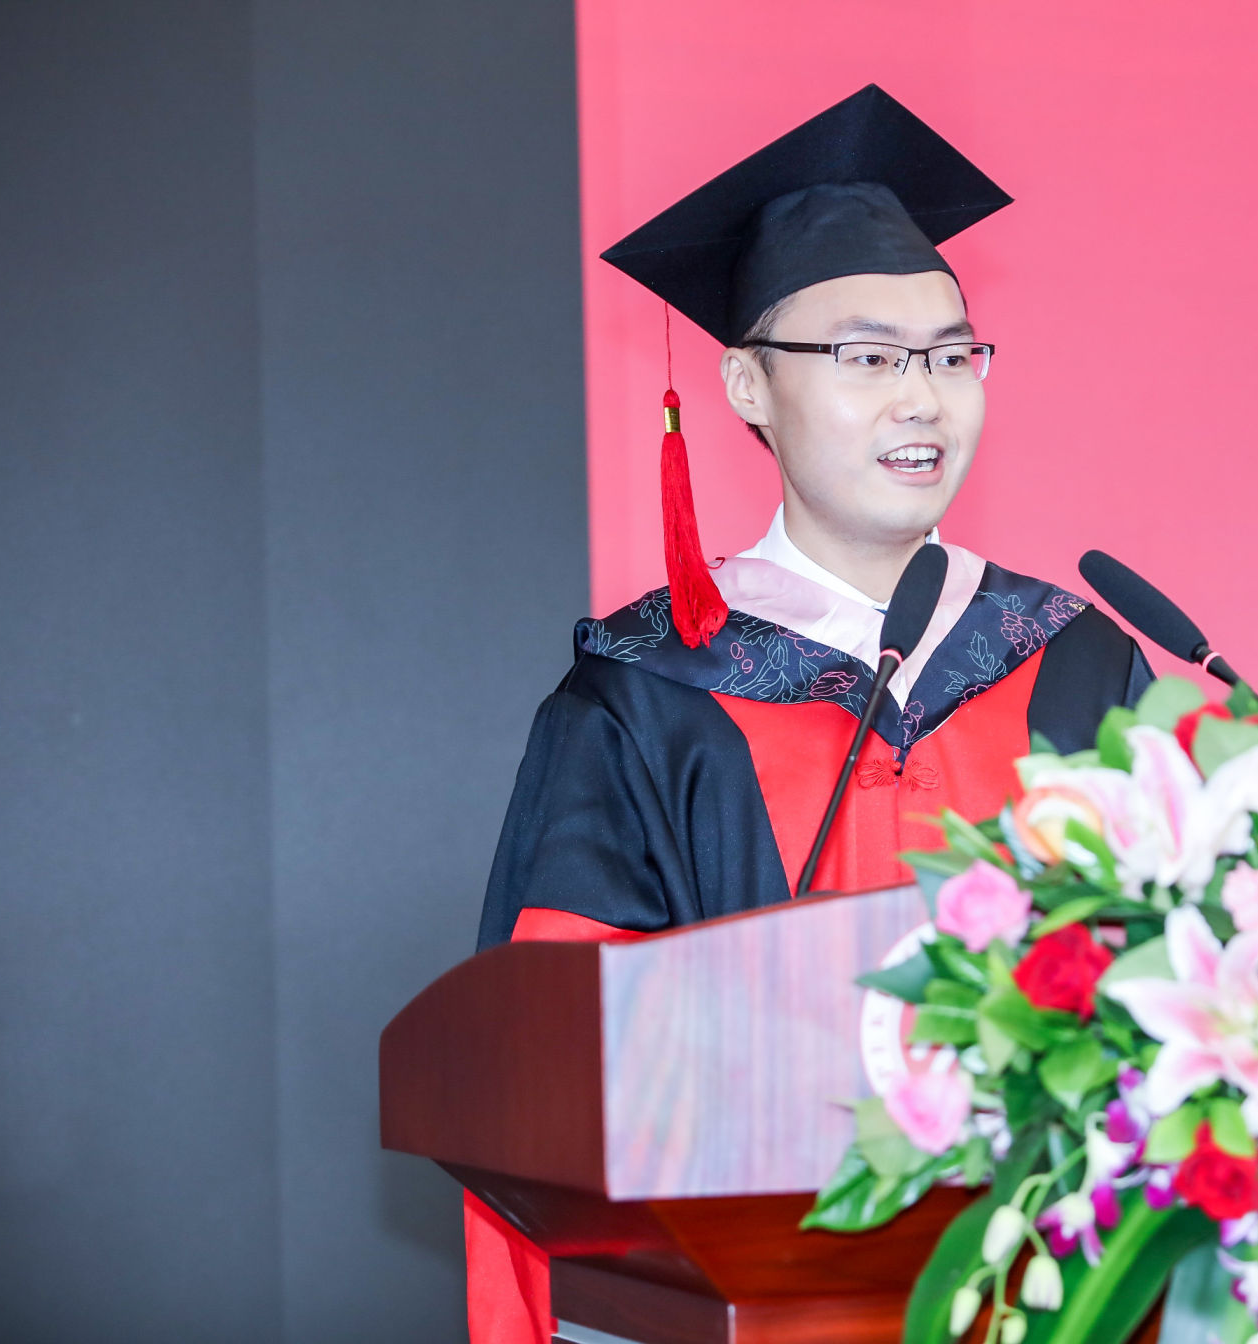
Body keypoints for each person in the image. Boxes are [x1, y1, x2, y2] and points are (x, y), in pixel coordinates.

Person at [463, 84, 1153, 1344]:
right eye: (869, 358)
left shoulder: (1078, 666)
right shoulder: (643, 701)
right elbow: (550, 1080)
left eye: (951, 355)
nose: (922, 398)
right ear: (746, 385)